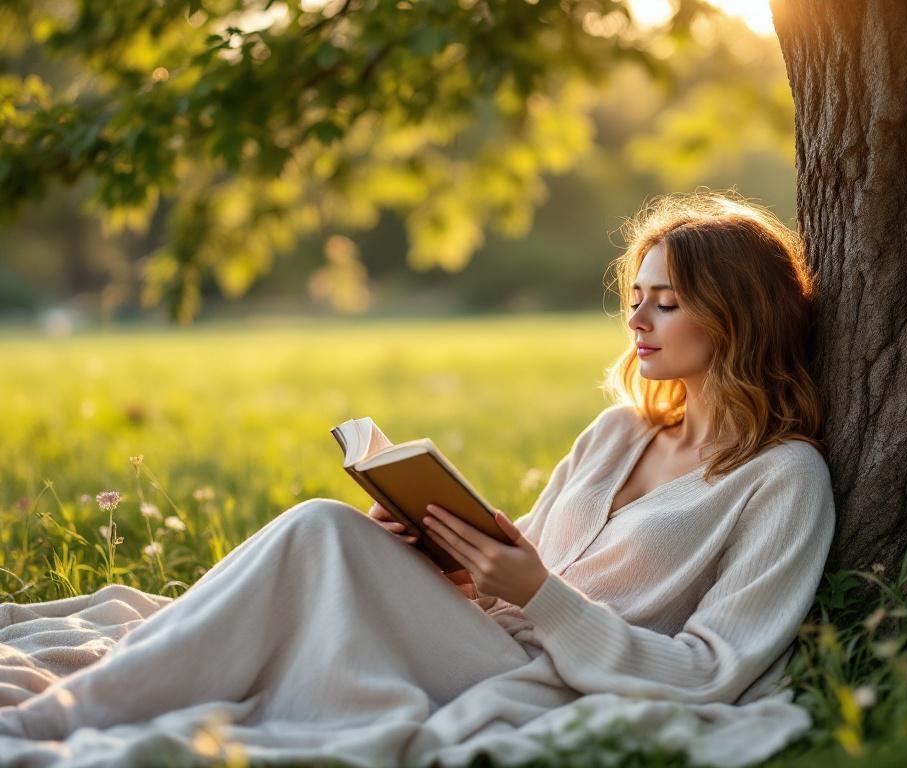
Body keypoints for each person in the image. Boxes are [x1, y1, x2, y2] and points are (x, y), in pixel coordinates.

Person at [0, 191, 836, 768]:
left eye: (668, 301)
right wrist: (445, 554)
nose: (637, 319)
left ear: (735, 314)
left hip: (538, 680)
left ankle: (63, 719)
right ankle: (107, 689)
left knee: (315, 530)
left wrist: (542, 597)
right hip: (480, 636)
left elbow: (713, 671)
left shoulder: (782, 480)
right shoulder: (619, 433)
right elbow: (516, 567)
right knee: (336, 530)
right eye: (637, 295)